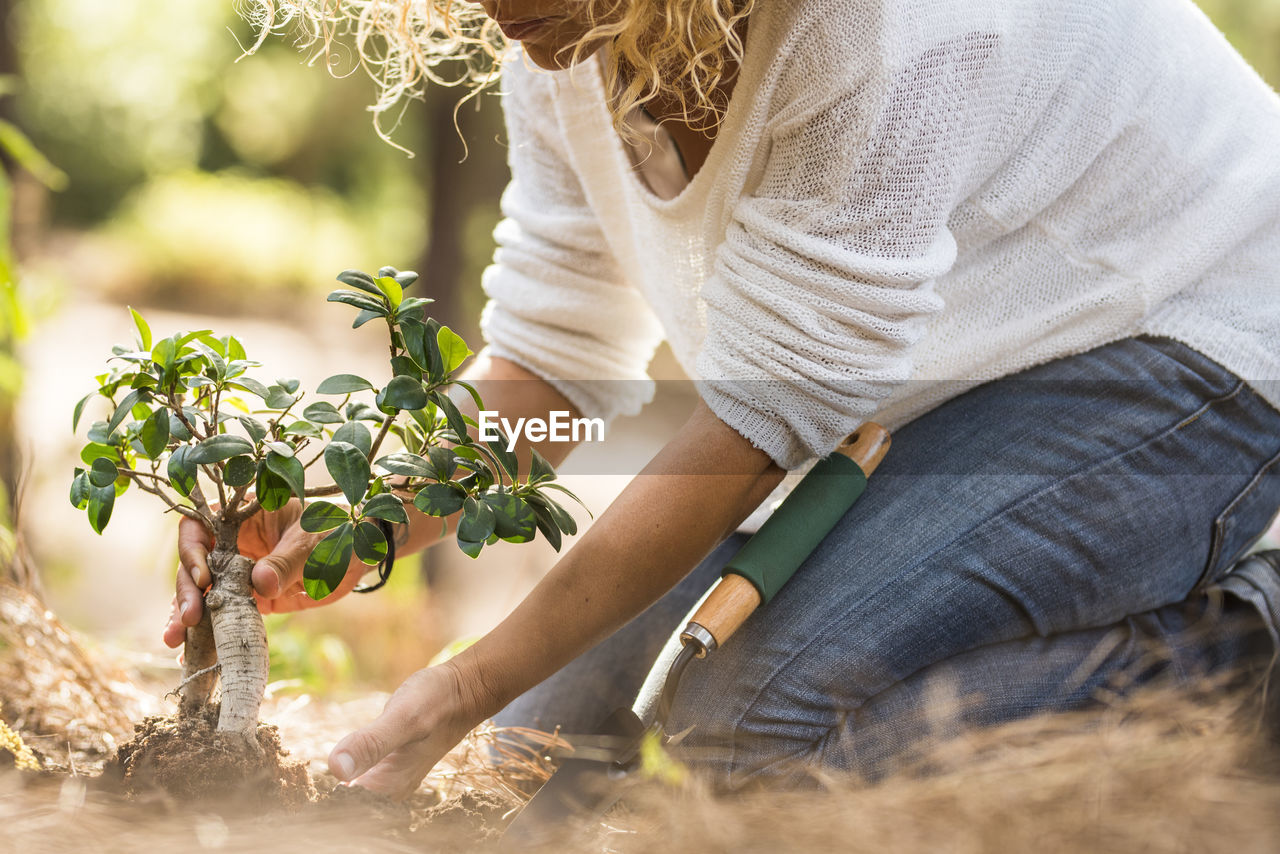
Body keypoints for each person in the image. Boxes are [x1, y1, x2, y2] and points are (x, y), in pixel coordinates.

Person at [166, 0, 1280, 797]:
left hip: (1179, 334)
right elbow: (552, 367)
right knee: (544, 769)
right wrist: (345, 523)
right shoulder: (558, 41)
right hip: (925, 378)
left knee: (751, 746)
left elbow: (754, 429)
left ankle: (1237, 654)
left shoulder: (882, 29)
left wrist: (457, 684)